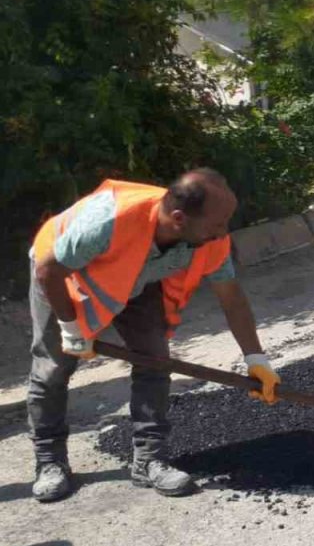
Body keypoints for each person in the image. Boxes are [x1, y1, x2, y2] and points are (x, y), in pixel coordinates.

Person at [27, 169, 282, 502]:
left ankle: (149, 459)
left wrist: (256, 358)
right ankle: (50, 462)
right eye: (217, 224)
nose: (223, 233)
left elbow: (231, 297)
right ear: (178, 218)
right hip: (62, 274)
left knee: (156, 360)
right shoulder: (107, 221)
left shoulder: (209, 239)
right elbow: (50, 270)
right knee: (53, 369)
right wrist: (71, 328)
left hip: (136, 279)